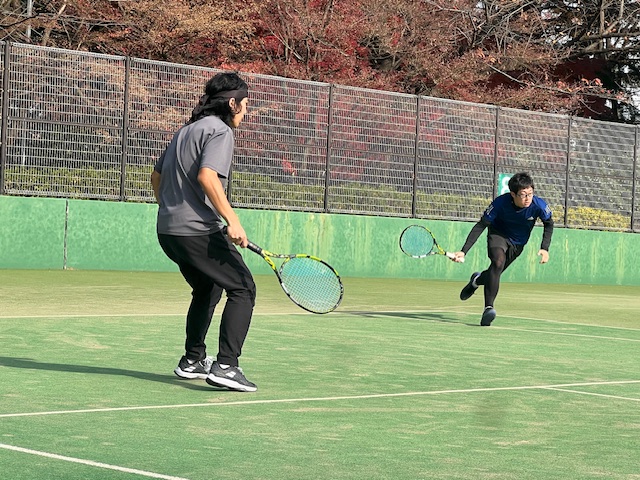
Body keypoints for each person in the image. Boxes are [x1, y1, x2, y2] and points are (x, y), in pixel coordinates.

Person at [150, 72, 257, 392]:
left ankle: (193, 359)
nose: (246, 112)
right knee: (243, 288)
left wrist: (174, 209)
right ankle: (226, 366)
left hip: (168, 231)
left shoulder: (186, 131)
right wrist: (232, 220)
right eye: (246, 105)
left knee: (208, 288)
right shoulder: (220, 131)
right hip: (195, 231)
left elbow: (156, 177)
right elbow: (208, 177)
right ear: (233, 103)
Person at [452, 172, 553, 326]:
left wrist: (545, 248)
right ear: (513, 194)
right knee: (498, 262)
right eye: (523, 195)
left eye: (530, 193)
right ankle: (488, 308)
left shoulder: (538, 205)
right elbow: (481, 225)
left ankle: (476, 281)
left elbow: (549, 223)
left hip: (518, 244)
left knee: (494, 273)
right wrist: (463, 251)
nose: (527, 198)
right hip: (498, 235)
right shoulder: (500, 203)